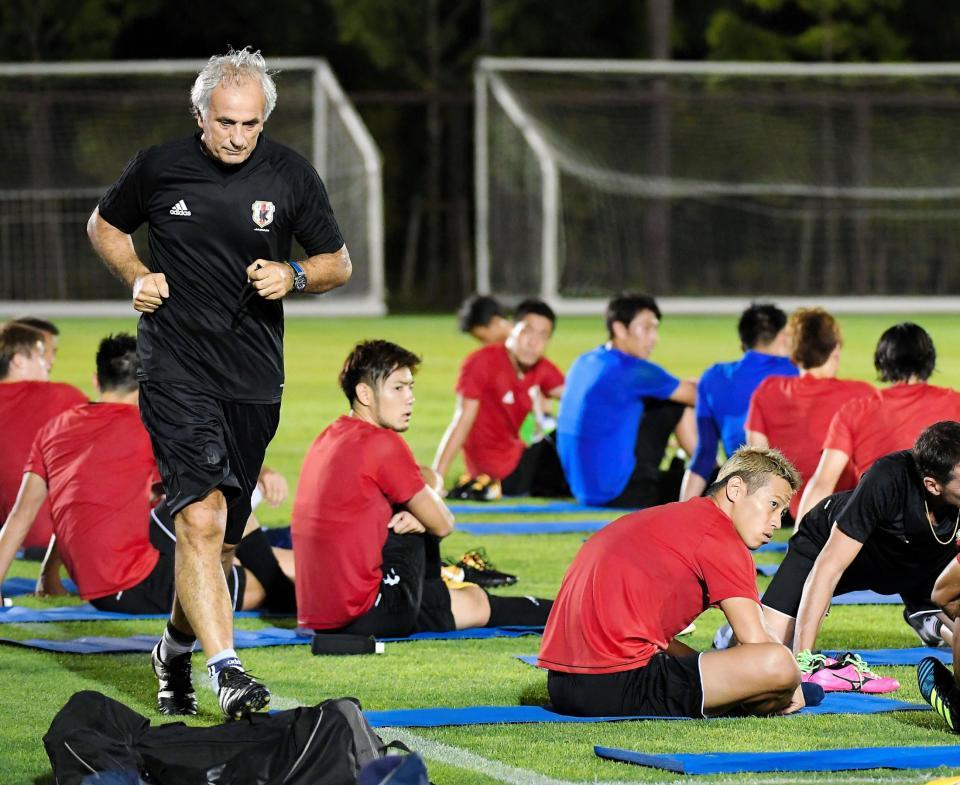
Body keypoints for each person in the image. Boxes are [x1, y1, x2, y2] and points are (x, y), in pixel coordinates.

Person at [86, 47, 351, 719]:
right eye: (226, 121)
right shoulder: (159, 167)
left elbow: (337, 262)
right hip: (175, 368)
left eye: (251, 124)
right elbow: (104, 225)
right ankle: (226, 669)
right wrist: (137, 276)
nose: (238, 136)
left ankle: (173, 649)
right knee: (198, 517)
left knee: (220, 540)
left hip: (255, 380)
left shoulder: (291, 174)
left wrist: (292, 275)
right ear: (200, 114)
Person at [0, 336, 296, 707]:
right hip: (131, 583)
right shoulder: (152, 425)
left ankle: (291, 588)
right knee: (235, 535)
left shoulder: (57, 427)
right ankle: (292, 599)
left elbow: (32, 514)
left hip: (104, 570)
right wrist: (263, 470)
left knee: (208, 513)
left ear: (96, 378)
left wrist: (49, 573)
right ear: (151, 378)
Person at [294, 340, 552, 637]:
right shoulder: (383, 444)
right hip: (373, 612)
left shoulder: (330, 435)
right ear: (365, 393)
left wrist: (425, 500)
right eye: (398, 388)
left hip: (315, 615)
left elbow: (424, 477)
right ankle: (563, 609)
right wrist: (422, 516)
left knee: (475, 604)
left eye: (411, 387)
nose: (410, 398)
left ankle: (559, 611)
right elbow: (443, 524)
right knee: (420, 525)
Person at [537, 447, 803, 718]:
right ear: (735, 489)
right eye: (773, 504)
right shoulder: (720, 536)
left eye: (782, 512)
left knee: (697, 655)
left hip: (561, 684)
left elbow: (654, 640)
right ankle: (756, 700)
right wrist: (793, 679)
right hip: (614, 684)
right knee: (779, 664)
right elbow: (756, 641)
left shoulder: (676, 519)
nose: (776, 522)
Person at [754, 422, 960, 688]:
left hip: (917, 563)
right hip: (832, 550)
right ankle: (742, 628)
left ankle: (925, 616)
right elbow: (828, 568)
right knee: (766, 654)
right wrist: (804, 659)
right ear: (933, 485)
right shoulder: (887, 479)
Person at [797, 322, 960, 522]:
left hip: (877, 528)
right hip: (940, 528)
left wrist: (799, 540)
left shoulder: (855, 411)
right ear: (929, 360)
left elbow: (823, 483)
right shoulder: (955, 403)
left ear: (882, 361)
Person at [556, 293, 697, 508]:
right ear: (620, 329)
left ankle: (706, 469)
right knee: (708, 487)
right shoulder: (632, 370)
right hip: (617, 492)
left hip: (581, 487)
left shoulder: (585, 360)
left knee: (668, 402)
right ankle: (712, 472)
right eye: (647, 328)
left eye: (655, 329)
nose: (654, 338)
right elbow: (699, 397)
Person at [745, 308, 874, 523]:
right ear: (835, 349)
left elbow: (757, 458)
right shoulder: (862, 395)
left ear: (793, 356)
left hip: (785, 505)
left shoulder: (767, 390)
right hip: (843, 505)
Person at [433, 299, 567, 498]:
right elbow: (462, 421)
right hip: (504, 472)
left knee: (567, 432)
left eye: (542, 335)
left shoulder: (541, 367)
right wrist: (437, 477)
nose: (533, 342)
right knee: (563, 437)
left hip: (518, 461)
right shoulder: (481, 362)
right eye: (527, 331)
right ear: (512, 328)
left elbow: (576, 398)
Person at [680, 303, 796, 501]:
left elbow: (704, 454)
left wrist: (682, 508)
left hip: (739, 493)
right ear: (783, 336)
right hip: (790, 493)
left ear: (744, 340)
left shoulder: (713, 376)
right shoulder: (795, 374)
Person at [0, 321, 86, 552]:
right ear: (18, 360)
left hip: (9, 539)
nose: (48, 363)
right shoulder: (61, 396)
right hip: (56, 539)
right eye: (40, 355)